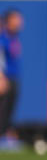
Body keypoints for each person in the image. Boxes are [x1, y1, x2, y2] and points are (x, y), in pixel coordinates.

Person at [0, 9, 23, 144]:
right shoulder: (3, 38)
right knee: (3, 107)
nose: (19, 22)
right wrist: (1, 77)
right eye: (16, 19)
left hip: (14, 77)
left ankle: (5, 134)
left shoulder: (14, 37)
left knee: (10, 107)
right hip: (5, 78)